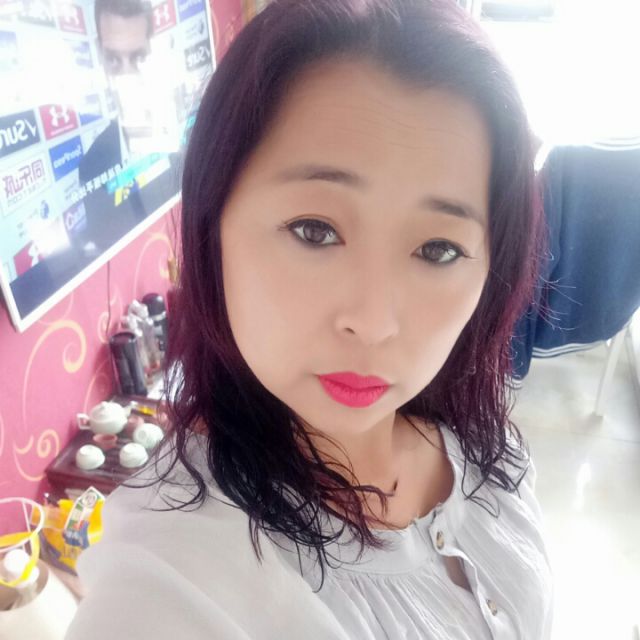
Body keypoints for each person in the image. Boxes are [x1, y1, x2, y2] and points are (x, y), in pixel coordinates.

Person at [66, 1, 554, 638]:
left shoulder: (484, 443)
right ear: (214, 229)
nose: (373, 323)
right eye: (314, 230)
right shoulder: (175, 576)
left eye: (438, 249)